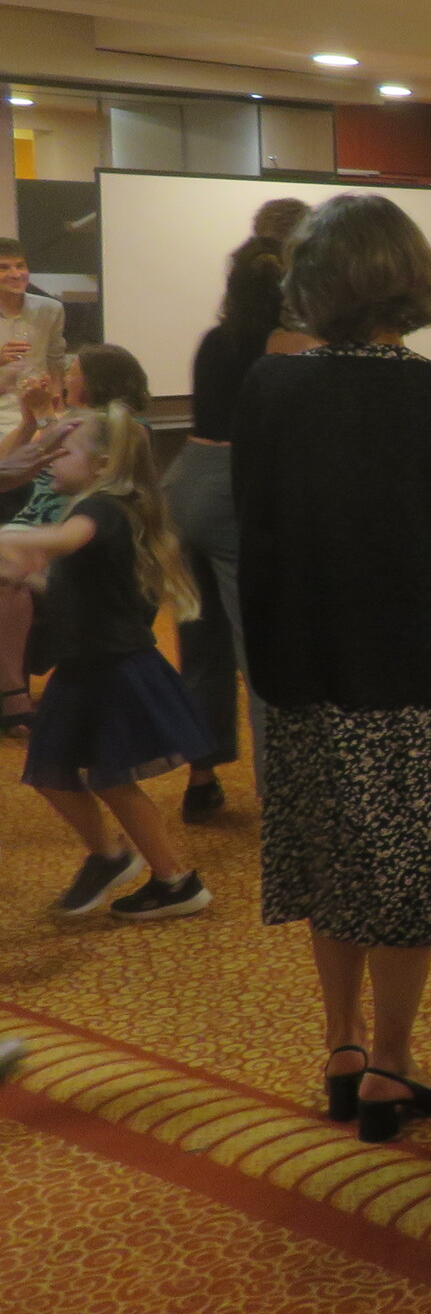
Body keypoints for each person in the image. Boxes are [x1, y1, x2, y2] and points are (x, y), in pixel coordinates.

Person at [235, 193, 431, 1142]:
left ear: (312, 282)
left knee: (332, 857)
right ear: (413, 282)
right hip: (429, 667)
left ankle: (343, 1047)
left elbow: (259, 522)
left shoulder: (269, 390)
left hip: (306, 660)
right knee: (408, 876)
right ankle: (393, 1065)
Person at [0, 404, 211, 919]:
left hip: (109, 670)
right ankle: (160, 876)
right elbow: (78, 585)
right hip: (93, 665)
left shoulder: (101, 509)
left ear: (101, 464)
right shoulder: (95, 507)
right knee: (94, 777)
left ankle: (124, 861)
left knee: (75, 775)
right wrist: (29, 578)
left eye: (61, 451)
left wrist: (9, 536)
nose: (48, 461)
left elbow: (63, 541)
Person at [166, 231, 300, 821]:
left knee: (199, 647)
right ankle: (280, 797)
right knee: (262, 648)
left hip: (185, 481)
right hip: (235, 489)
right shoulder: (287, 347)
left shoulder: (214, 340)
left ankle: (201, 780)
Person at [0, 343, 154, 735]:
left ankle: (12, 694)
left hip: (68, 535)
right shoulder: (65, 421)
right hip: (28, 529)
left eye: (73, 371)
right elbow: (6, 465)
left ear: (96, 380)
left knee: (9, 575)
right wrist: (29, 422)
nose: (65, 378)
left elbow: (86, 481)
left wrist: (47, 418)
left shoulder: (125, 429)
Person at [0, 235, 67, 444]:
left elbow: (55, 361)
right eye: (4, 268)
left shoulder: (50, 309)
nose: (16, 274)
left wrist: (58, 408)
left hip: (40, 410)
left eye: (20, 266)